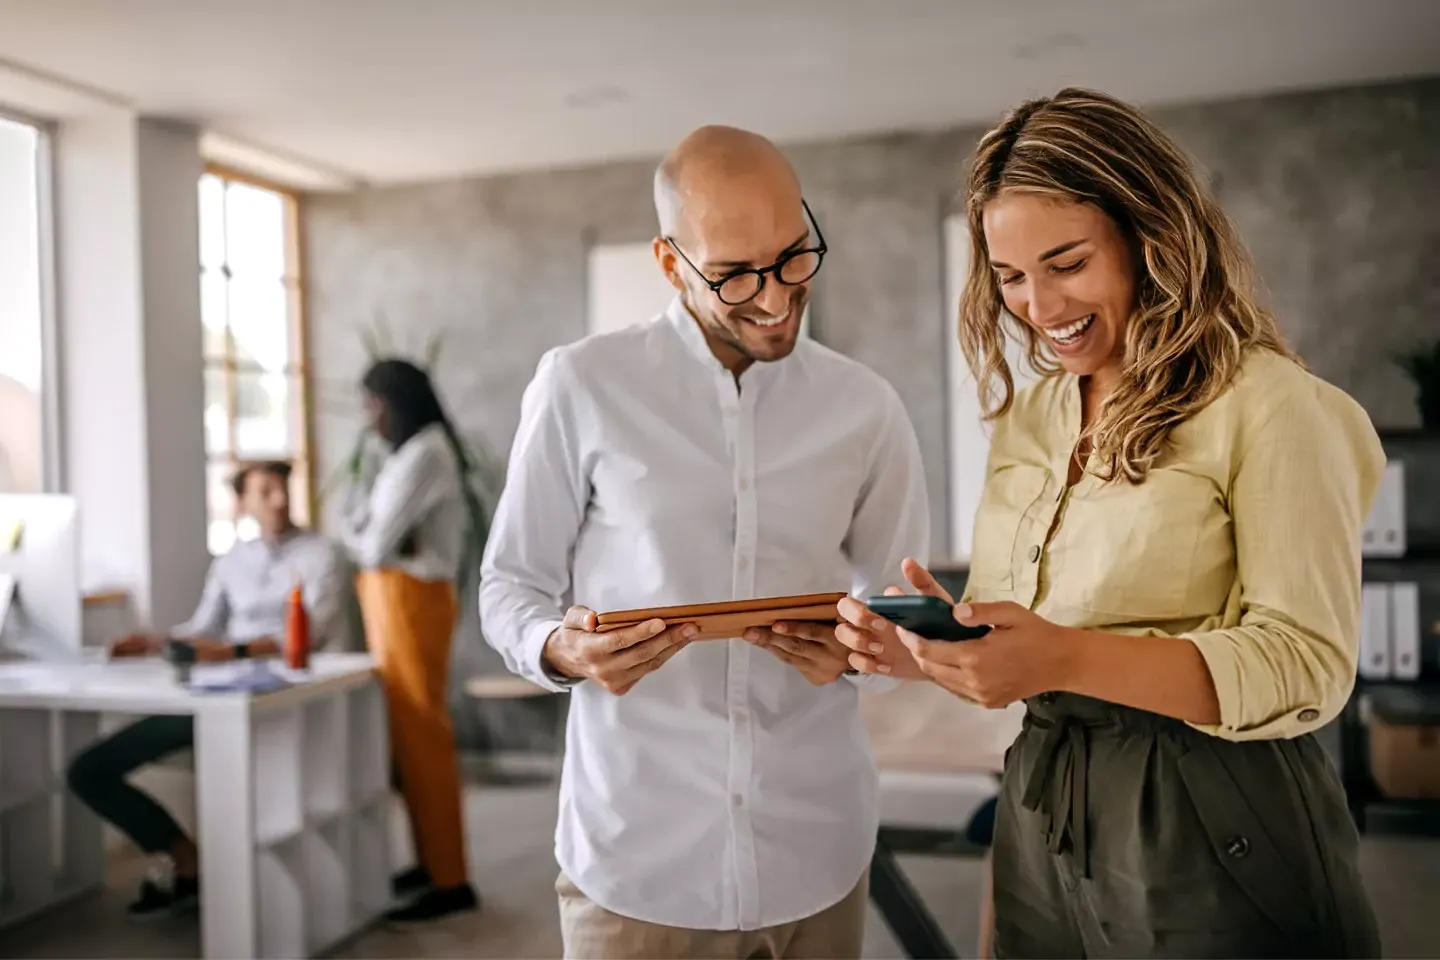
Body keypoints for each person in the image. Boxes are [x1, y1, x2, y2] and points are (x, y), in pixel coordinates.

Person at [837, 87, 1383, 958]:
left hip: (1213, 810)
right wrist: (925, 651)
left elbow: (1305, 662)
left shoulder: (1271, 405)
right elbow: (1027, 635)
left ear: (1150, 237)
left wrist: (1062, 657)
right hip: (1042, 801)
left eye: (1067, 263)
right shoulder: (1030, 417)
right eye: (1011, 276)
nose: (1039, 306)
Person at [480, 125, 930, 960]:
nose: (776, 296)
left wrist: (870, 650)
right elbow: (510, 586)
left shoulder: (866, 408)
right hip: (638, 859)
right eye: (734, 275)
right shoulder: (582, 385)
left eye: (793, 257)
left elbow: (898, 608)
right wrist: (562, 649)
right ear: (669, 263)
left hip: (818, 848)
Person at [67, 460, 344, 917]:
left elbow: (311, 635)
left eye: (283, 488)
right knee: (89, 770)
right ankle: (186, 859)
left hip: (280, 698)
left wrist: (232, 651)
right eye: (265, 491)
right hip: (217, 696)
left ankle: (241, 892)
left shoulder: (320, 554)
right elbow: (201, 629)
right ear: (242, 502)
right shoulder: (231, 561)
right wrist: (154, 642)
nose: (279, 500)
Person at [342, 358, 481, 924]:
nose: (367, 416)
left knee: (422, 736)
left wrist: (366, 536)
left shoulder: (425, 454)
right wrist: (372, 536)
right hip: (396, 601)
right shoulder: (405, 456)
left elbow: (370, 543)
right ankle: (430, 863)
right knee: (406, 738)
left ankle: (450, 878)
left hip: (412, 602)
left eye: (372, 403)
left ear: (392, 402)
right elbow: (371, 533)